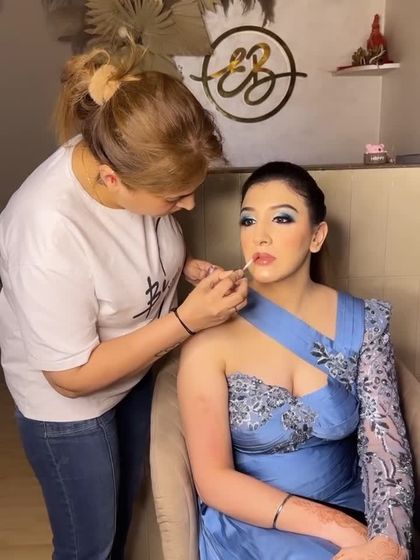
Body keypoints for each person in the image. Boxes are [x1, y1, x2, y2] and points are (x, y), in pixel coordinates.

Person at [0, 45, 248, 560]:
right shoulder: (45, 232)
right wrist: (186, 321)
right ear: (112, 180)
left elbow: (123, 249)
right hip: (71, 404)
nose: (189, 206)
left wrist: (182, 266)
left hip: (134, 371)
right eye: (174, 199)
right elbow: (70, 378)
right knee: (90, 545)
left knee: (119, 519)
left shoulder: (121, 148)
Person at [178, 162, 414, 560]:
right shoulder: (209, 342)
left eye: (282, 218)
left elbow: (385, 447)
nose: (260, 236)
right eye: (248, 220)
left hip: (352, 507)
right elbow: (213, 479)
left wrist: (388, 542)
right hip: (254, 523)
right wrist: (337, 527)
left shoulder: (364, 323)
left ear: (317, 236)